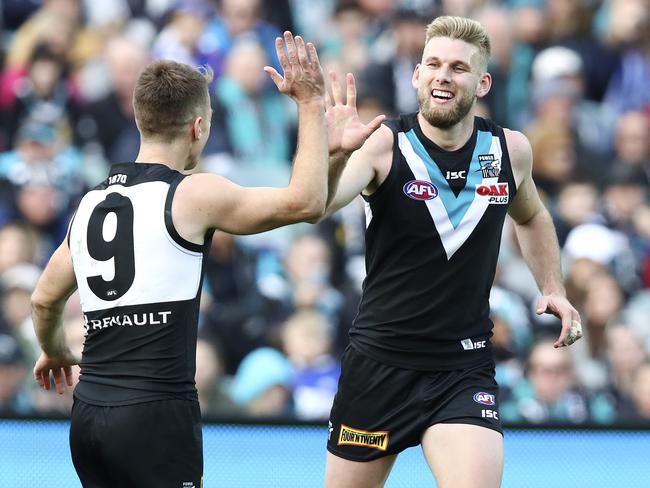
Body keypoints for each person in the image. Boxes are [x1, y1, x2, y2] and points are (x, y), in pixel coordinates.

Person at [29, 32, 381, 488]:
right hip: (155, 415)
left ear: (140, 119)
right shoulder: (192, 193)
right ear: (198, 127)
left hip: (89, 415)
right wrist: (311, 107)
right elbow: (307, 204)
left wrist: (55, 351)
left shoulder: (91, 204)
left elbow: (43, 301)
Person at [320, 16, 583, 488]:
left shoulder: (509, 150)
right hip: (380, 364)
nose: (443, 75)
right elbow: (318, 205)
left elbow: (533, 216)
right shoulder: (383, 146)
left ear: (482, 82)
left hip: (463, 368)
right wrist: (334, 156)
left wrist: (553, 288)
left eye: (458, 68)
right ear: (417, 75)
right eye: (434, 64)